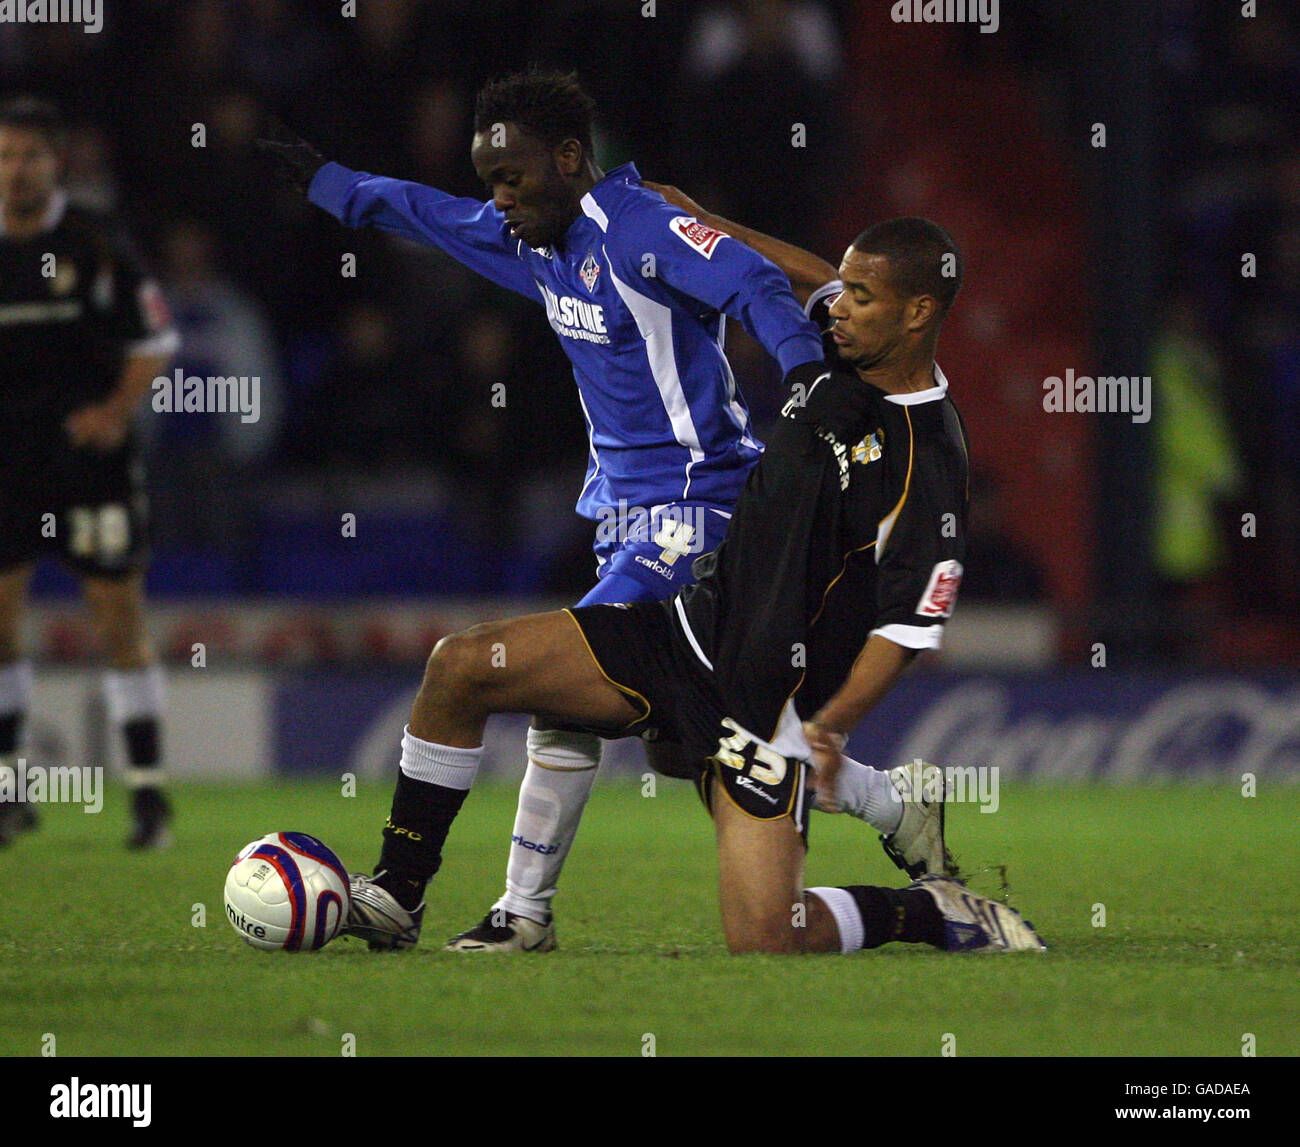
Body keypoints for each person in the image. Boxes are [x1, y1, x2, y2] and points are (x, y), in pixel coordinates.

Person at [256, 69, 944, 951]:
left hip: (701, 512)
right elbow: (419, 210)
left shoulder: (643, 226)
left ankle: (498, 910)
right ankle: (893, 802)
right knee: (703, 741)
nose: (497, 199)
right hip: (625, 520)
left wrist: (804, 371)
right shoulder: (533, 239)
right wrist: (327, 183)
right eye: (489, 181)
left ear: (571, 158)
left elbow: (753, 285)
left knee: (536, 679)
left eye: (512, 178)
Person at [329, 211, 1043, 955]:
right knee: (465, 663)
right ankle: (398, 895)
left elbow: (909, 626)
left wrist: (829, 727)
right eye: (845, 289)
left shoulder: (927, 455)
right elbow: (792, 272)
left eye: (861, 295)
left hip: (760, 714)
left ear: (918, 312)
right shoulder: (838, 347)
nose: (837, 304)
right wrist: (696, 220)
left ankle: (933, 912)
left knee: (770, 934)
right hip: (680, 634)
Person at [0, 98, 180, 848]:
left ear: (56, 162)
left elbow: (156, 338)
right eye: (5, 154)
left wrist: (114, 410)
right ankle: (11, 794)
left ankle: (148, 796)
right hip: (6, 462)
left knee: (117, 618)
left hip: (89, 463)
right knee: (1, 625)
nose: (16, 169)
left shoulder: (98, 242)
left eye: (31, 155)